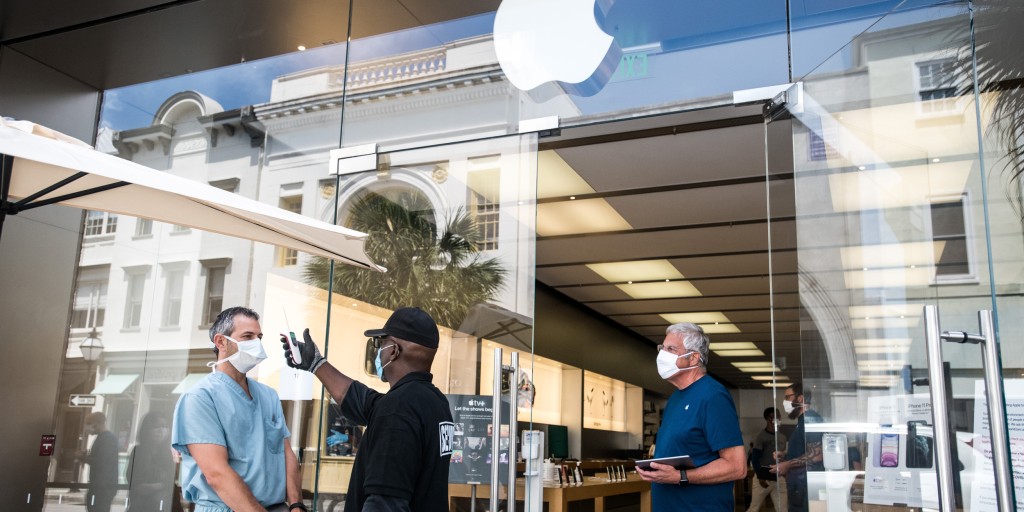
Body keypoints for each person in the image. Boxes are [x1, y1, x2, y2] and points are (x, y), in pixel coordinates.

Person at [282, 307, 454, 512]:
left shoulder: (397, 409)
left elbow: (385, 504)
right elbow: (360, 399)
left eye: (380, 343)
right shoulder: (435, 403)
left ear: (394, 350)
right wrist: (315, 363)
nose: (378, 351)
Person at [171, 306, 305, 512]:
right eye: (248, 336)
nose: (257, 344)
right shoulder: (200, 398)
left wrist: (296, 505)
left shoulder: (268, 396)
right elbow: (217, 474)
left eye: (259, 337)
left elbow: (286, 453)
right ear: (221, 341)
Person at [635, 323, 747, 511]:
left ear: (694, 358)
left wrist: (681, 476)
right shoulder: (675, 398)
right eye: (662, 348)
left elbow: (737, 466)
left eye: (671, 349)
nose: (663, 354)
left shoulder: (713, 396)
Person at [771, 381, 823, 512]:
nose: (785, 402)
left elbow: (817, 455)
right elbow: (805, 450)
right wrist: (785, 455)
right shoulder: (802, 421)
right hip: (798, 488)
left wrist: (788, 464)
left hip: (806, 490)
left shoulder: (810, 419)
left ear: (800, 398)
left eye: (788, 397)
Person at [126, 411, 177, 512]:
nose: (161, 430)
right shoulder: (138, 451)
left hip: (162, 504)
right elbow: (130, 475)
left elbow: (172, 479)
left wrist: (154, 487)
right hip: (140, 503)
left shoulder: (169, 453)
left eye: (165, 426)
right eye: (156, 427)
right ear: (147, 430)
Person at [746, 408, 787, 512]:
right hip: (763, 476)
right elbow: (755, 458)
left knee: (783, 509)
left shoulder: (782, 437)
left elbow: (783, 457)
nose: (778, 418)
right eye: (775, 417)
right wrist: (760, 476)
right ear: (769, 419)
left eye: (779, 416)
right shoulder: (761, 437)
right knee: (754, 508)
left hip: (779, 476)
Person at [83, 411, 119, 512]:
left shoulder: (107, 439)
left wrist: (84, 458)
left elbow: (102, 462)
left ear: (96, 423)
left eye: (88, 423)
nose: (87, 427)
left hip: (103, 487)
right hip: (100, 485)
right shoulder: (102, 438)